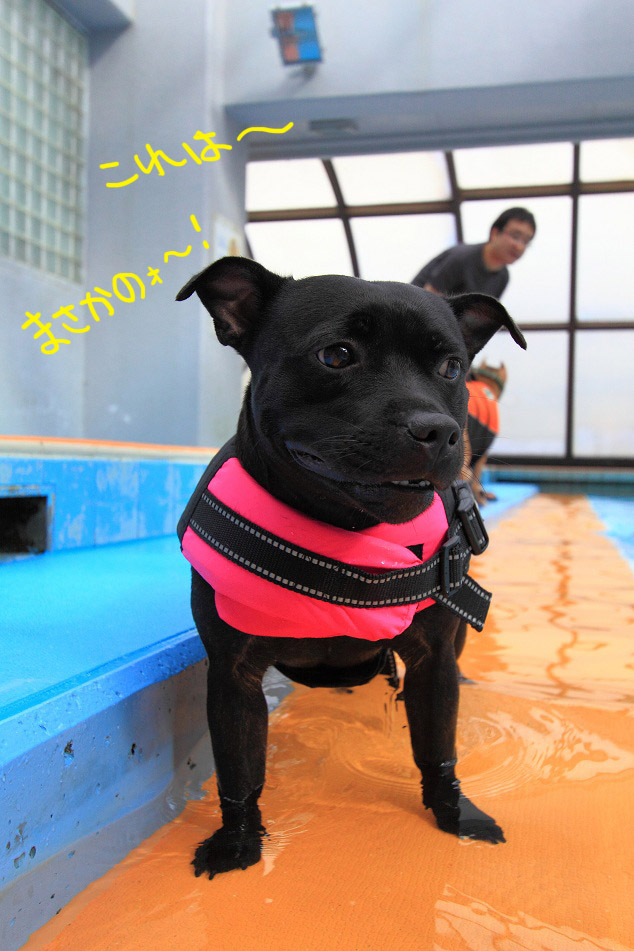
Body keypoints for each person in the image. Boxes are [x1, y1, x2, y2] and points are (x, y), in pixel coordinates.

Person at [411, 206, 536, 298]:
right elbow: (428, 299)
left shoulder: (503, 276)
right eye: (515, 236)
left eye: (526, 241)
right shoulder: (462, 258)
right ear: (495, 233)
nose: (519, 246)